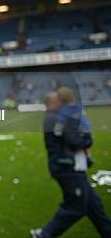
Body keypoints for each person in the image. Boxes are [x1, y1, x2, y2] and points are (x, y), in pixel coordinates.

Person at [30, 90, 111, 237]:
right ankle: (45, 234)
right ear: (51, 104)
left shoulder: (53, 117)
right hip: (67, 168)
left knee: (94, 205)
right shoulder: (56, 118)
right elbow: (73, 140)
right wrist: (88, 140)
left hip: (68, 166)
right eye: (58, 101)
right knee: (76, 206)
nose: (62, 102)